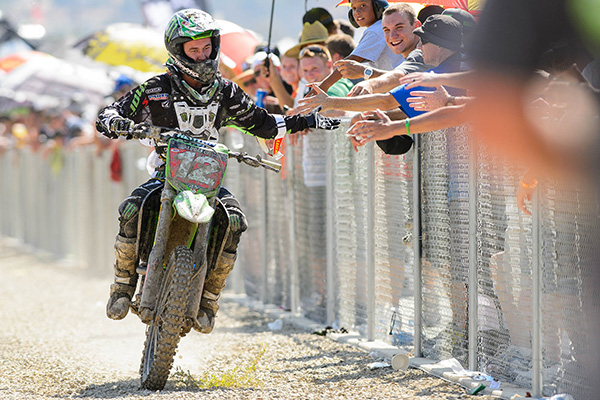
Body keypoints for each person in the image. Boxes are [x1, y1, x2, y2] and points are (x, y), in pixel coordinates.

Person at [96, 9, 340, 331]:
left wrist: (308, 120)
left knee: (236, 222)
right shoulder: (156, 88)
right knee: (132, 208)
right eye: (192, 50)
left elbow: (265, 124)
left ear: (214, 45)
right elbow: (112, 110)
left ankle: (209, 298)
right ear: (176, 49)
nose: (201, 56)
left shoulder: (226, 91)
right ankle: (122, 284)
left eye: (206, 48)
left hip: (208, 181)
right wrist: (115, 121)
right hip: (166, 173)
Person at [314, 0, 404, 94]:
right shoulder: (381, 27)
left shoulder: (376, 29)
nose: (357, 12)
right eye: (353, 8)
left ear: (378, 6)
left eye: (363, 5)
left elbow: (349, 61)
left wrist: (322, 87)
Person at [339, 3, 428, 95]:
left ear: (417, 25)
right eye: (386, 30)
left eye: (399, 27)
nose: (392, 36)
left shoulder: (424, 53)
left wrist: (365, 73)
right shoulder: (412, 55)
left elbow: (402, 80)